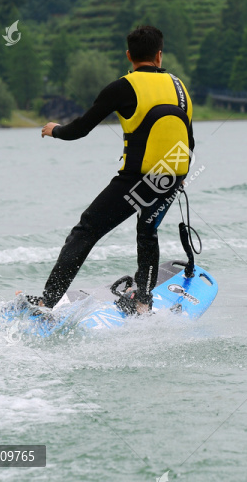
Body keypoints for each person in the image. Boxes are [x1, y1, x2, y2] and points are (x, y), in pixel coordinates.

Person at [30, 25, 194, 315]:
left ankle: (47, 302)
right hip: (173, 176)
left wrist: (55, 130)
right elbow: (188, 138)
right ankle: (143, 302)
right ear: (159, 55)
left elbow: (79, 129)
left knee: (85, 231)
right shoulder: (180, 87)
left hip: (136, 179)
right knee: (147, 232)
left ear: (129, 55)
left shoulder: (121, 88)